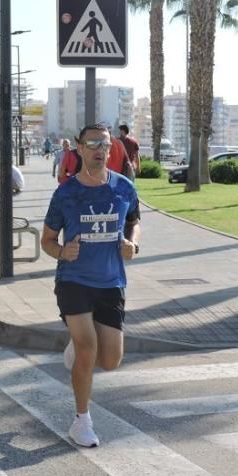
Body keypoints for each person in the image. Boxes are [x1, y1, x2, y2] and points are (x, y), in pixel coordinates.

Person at [41, 123, 141, 448]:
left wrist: (132, 244)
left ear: (110, 150)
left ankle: (78, 347)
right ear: (80, 149)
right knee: (88, 347)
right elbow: (46, 239)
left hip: (111, 282)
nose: (99, 149)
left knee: (110, 360)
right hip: (74, 280)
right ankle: (81, 421)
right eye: (92, 143)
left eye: (104, 144)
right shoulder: (66, 193)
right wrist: (61, 251)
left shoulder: (124, 188)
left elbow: (134, 222)